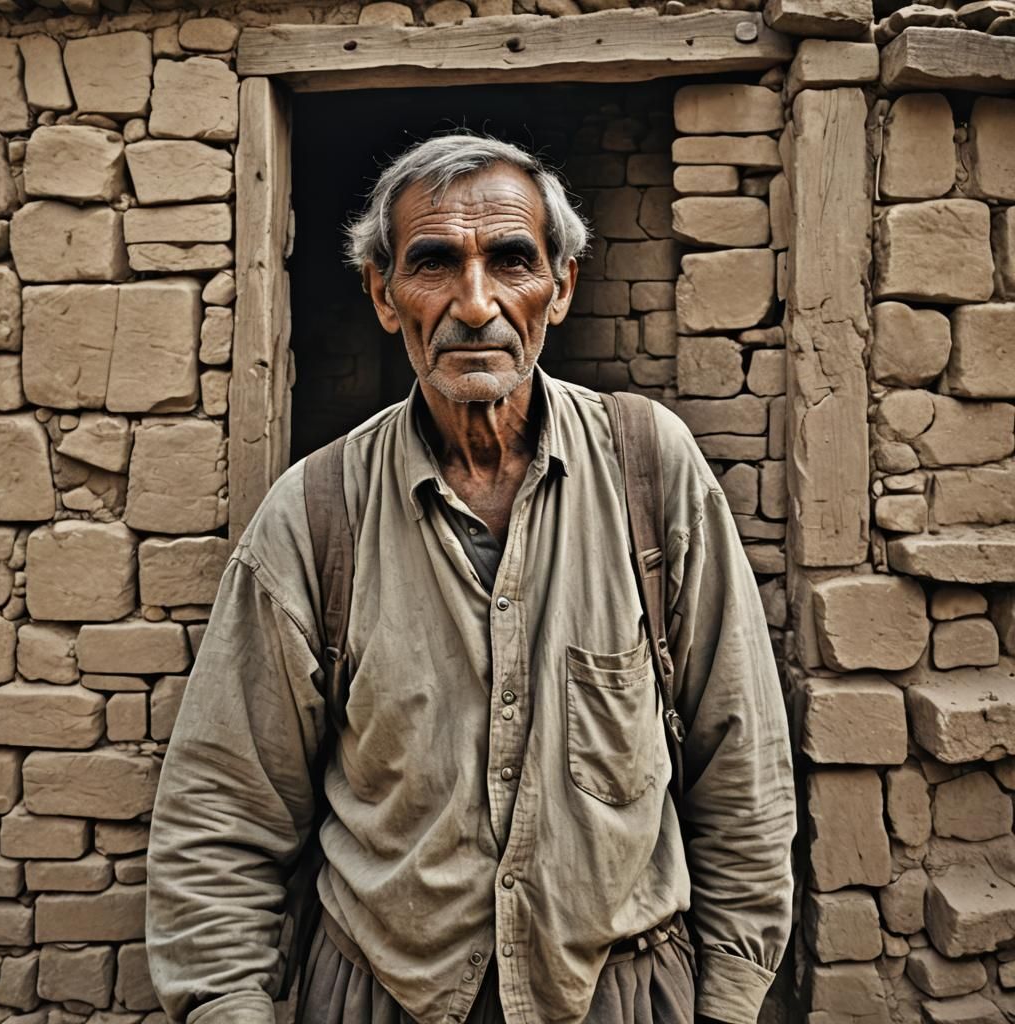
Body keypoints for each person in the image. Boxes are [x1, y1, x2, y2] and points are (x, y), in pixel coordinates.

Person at [145, 133, 796, 1024]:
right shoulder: (316, 514)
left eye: (512, 261)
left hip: (622, 996)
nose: (476, 302)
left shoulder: (652, 473)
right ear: (383, 294)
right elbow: (221, 818)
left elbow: (742, 769)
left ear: (560, 288)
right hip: (381, 997)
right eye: (434, 263)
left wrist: (727, 1001)